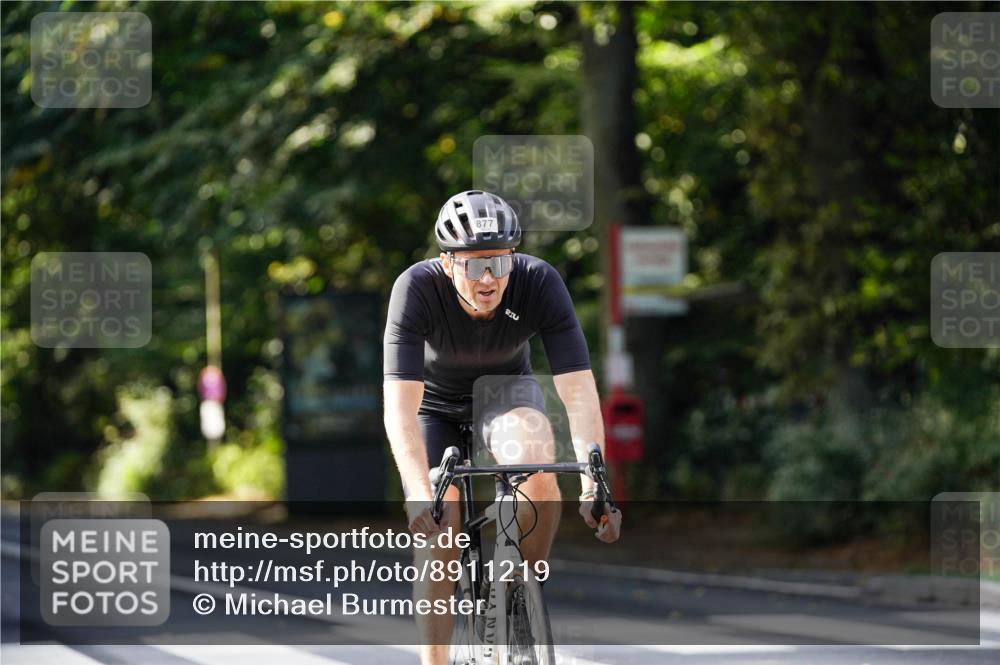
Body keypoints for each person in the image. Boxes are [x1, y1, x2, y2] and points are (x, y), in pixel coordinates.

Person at [383, 190, 622, 665]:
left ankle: (520, 594)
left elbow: (577, 388)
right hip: (434, 407)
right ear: (448, 264)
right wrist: (416, 491)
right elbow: (399, 410)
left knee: (536, 464)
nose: (489, 277)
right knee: (441, 531)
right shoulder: (414, 289)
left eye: (499, 262)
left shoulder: (539, 281)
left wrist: (596, 485)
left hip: (505, 393)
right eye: (473, 265)